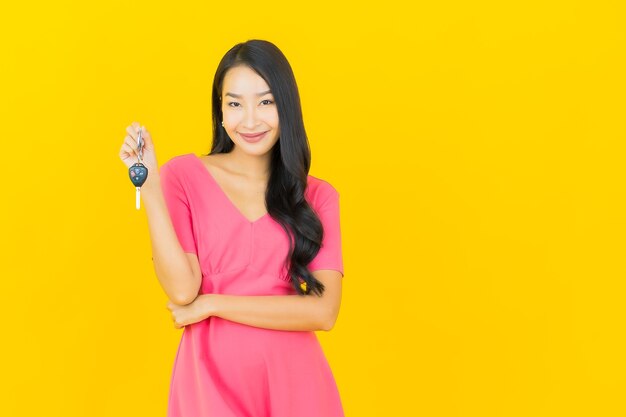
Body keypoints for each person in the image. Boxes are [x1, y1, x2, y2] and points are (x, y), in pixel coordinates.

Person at [118, 39, 345, 417]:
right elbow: (182, 288)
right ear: (220, 111)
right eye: (235, 103)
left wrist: (214, 304)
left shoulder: (319, 196)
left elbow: (324, 312)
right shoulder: (183, 176)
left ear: (286, 108)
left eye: (266, 102)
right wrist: (152, 189)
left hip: (296, 386)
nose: (250, 119)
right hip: (207, 380)